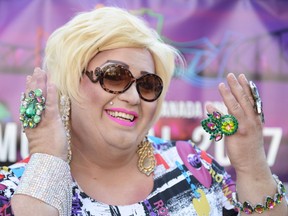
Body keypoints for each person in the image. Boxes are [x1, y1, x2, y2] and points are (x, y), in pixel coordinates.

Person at [0, 6, 287, 216]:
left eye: (148, 85)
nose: (134, 97)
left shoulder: (192, 166)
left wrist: (252, 166)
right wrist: (48, 158)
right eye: (114, 76)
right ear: (68, 83)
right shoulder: (13, 187)